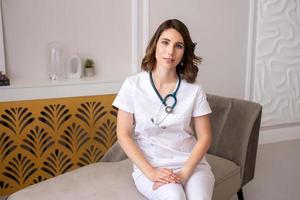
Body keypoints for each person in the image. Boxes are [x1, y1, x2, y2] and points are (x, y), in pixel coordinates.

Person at [112, 19, 215, 200]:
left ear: (185, 52)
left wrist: (184, 173)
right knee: (174, 196)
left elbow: (205, 137)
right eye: (165, 42)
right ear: (155, 45)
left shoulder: (194, 89)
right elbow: (123, 134)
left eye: (178, 46)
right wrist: (151, 172)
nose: (170, 52)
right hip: (151, 164)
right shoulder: (133, 85)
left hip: (191, 164)